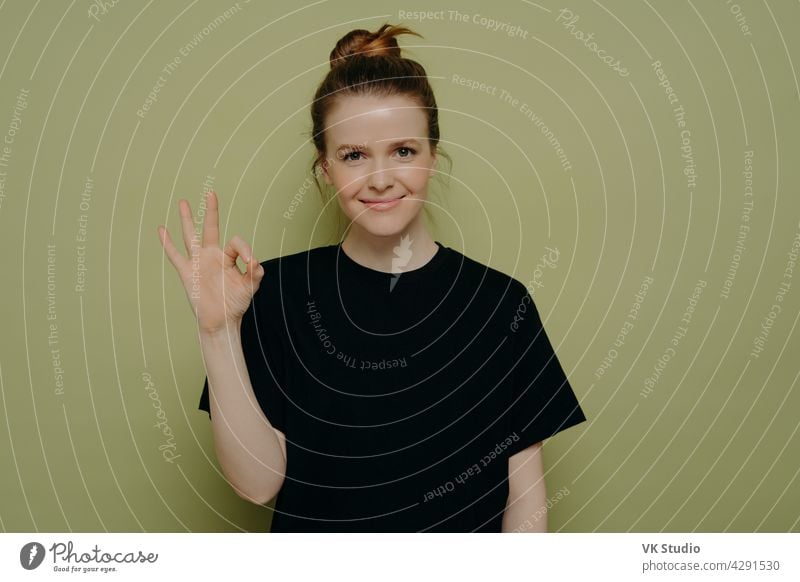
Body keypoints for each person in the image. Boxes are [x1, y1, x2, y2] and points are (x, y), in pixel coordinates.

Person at [157, 23, 586, 533]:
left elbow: (526, 506)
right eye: (354, 155)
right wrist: (218, 331)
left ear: (433, 156)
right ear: (325, 169)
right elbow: (258, 484)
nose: (380, 178)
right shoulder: (275, 294)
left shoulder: (500, 305)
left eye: (403, 150)